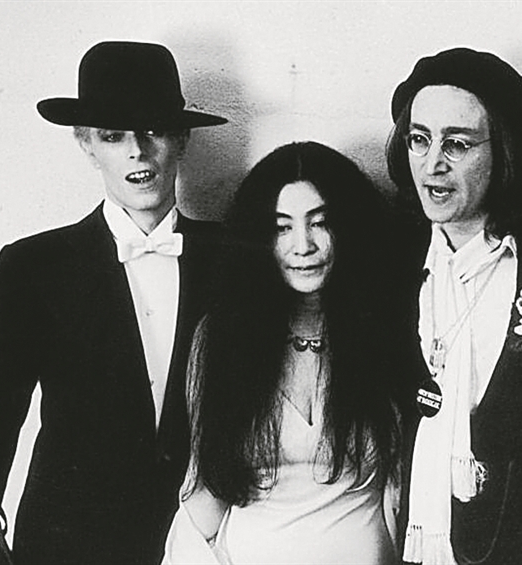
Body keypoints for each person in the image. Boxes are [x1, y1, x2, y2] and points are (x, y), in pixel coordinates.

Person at [0, 41, 226, 565]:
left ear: (182, 139)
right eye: (114, 136)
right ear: (86, 144)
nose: (137, 151)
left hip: (201, 541)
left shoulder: (234, 259)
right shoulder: (34, 267)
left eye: (154, 130)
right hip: (68, 544)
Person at [163, 141, 404, 565]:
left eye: (320, 223)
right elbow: (208, 488)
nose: (303, 245)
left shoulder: (387, 331)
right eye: (281, 228)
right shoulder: (222, 337)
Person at [386, 47, 522, 565]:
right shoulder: (389, 258)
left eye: (457, 144)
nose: (433, 164)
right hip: (411, 540)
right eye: (419, 139)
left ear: (504, 152)